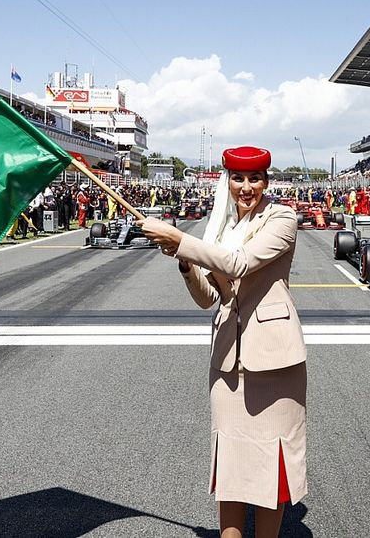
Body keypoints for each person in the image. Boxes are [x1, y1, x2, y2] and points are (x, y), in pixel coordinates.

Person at [138, 146, 306, 538]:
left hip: (274, 359)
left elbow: (240, 264)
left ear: (267, 181)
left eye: (255, 178)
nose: (246, 187)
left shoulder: (281, 218)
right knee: (230, 463)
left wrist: (180, 239)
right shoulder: (220, 231)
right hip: (228, 359)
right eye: (238, 178)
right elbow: (210, 299)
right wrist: (185, 265)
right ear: (226, 180)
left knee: (272, 465)